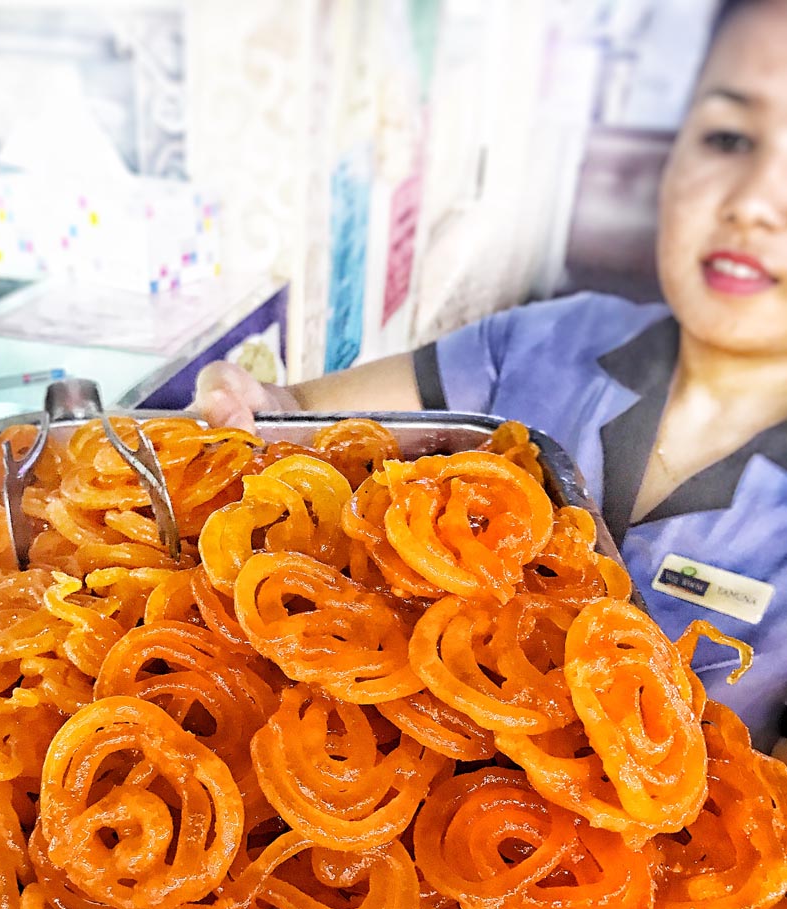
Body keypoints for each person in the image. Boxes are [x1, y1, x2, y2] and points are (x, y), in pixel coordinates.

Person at [188, 0, 787, 754]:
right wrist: (250, 405)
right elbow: (298, 434)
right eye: (730, 138)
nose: (754, 205)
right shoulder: (548, 340)